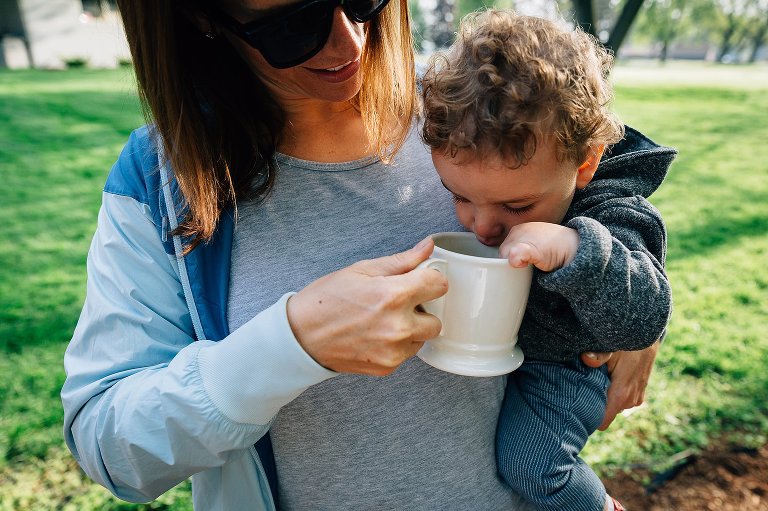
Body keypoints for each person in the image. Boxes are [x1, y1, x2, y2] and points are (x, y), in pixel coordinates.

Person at [61, 1, 663, 509]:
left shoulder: (481, 105)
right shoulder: (160, 181)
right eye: (292, 24)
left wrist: (635, 311)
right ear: (203, 16)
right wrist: (291, 343)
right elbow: (109, 447)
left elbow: (614, 194)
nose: (348, 42)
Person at [421, 10, 676, 511]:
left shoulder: (616, 211)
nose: (483, 226)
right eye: (460, 196)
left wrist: (575, 250)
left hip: (563, 367)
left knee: (534, 466)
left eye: (517, 207)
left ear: (586, 163)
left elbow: (647, 315)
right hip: (503, 357)